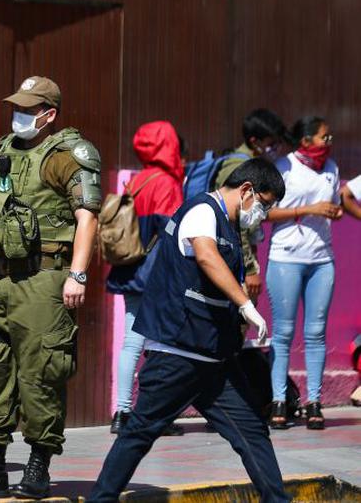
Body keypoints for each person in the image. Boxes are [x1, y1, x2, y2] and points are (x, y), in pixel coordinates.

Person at [87, 158, 290, 503]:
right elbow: (207, 256)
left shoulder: (228, 223)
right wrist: (245, 303)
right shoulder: (202, 211)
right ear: (246, 191)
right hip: (177, 355)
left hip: (214, 359)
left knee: (252, 432)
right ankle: (100, 499)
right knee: (139, 433)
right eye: (265, 204)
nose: (265, 213)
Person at [0, 76, 101, 499]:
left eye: (29, 109)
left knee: (41, 375)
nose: (19, 115)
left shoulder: (68, 154)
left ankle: (38, 467)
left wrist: (78, 273)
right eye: (16, 106)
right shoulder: (3, 150)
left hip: (44, 279)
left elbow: (87, 215)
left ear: (49, 115)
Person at [105, 121, 184, 436]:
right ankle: (153, 415)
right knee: (161, 345)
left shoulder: (138, 180)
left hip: (131, 269)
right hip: (157, 272)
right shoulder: (167, 182)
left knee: (132, 342)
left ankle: (122, 413)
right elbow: (173, 232)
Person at [265, 116, 342, 430]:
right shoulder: (284, 167)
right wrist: (307, 210)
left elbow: (334, 205)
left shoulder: (332, 169)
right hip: (286, 258)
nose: (329, 142)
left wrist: (332, 212)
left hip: (322, 260)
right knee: (283, 334)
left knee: (316, 334)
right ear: (306, 140)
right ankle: (279, 400)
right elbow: (265, 212)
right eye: (325, 137)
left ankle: (314, 402)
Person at [213, 109, 289, 303]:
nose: (277, 148)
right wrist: (249, 269)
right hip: (232, 256)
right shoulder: (238, 167)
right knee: (239, 320)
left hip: (238, 254)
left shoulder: (252, 163)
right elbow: (237, 223)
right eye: (271, 144)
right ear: (254, 141)